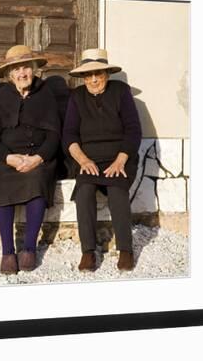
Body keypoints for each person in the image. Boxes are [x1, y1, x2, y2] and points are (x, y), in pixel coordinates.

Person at [62, 48, 142, 272]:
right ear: (83, 77)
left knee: (117, 189)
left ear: (107, 74)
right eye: (89, 75)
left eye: (99, 73)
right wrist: (82, 160)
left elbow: (133, 130)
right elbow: (68, 134)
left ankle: (125, 249)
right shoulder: (77, 97)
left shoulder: (120, 91)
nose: (94, 79)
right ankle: (88, 251)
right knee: (85, 190)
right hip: (89, 159)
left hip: (119, 156)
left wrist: (120, 161)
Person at [0, 45, 61, 274]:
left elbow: (54, 134)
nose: (22, 73)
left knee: (38, 179)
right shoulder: (0, 97)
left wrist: (38, 158)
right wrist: (8, 157)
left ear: (33, 70)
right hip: (9, 158)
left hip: (38, 157)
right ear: (10, 75)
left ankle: (29, 248)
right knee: (1, 179)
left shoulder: (45, 94)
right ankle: (8, 252)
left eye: (26, 68)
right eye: (17, 69)